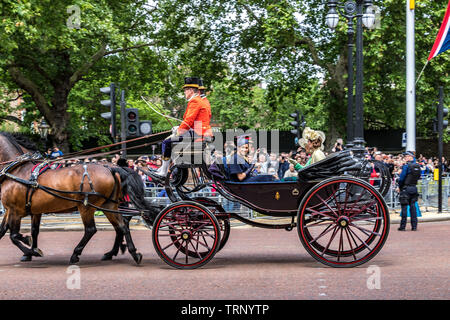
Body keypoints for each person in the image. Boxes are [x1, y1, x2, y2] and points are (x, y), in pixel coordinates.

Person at [155, 77, 212, 177]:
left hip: (197, 135)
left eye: (185, 90)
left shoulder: (195, 101)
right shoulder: (201, 101)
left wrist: (179, 131)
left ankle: (164, 171)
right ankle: (163, 168)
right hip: (200, 133)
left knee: (166, 142)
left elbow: (188, 121)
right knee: (171, 140)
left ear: (190, 90)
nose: (184, 92)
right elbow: (194, 121)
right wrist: (180, 128)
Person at [397, 151, 421, 231]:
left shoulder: (406, 166)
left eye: (406, 156)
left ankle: (402, 226)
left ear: (411, 157)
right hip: (414, 188)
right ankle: (414, 226)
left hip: (405, 188)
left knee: (404, 207)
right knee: (413, 207)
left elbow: (401, 179)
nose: (405, 158)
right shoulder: (418, 166)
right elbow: (418, 177)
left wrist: (400, 187)